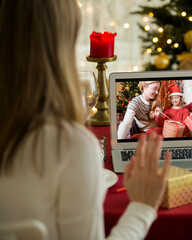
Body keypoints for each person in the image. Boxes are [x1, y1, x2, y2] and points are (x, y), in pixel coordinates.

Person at [0, 1, 171, 240]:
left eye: (157, 88)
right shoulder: (69, 145)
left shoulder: (155, 105)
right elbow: (124, 129)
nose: (154, 91)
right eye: (152, 87)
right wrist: (143, 207)